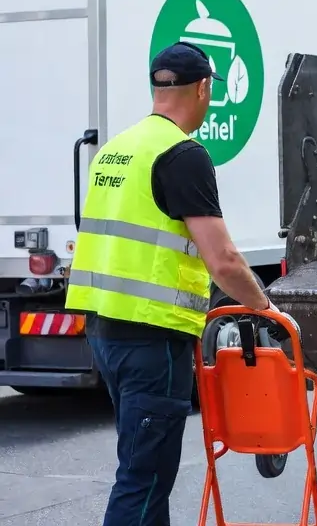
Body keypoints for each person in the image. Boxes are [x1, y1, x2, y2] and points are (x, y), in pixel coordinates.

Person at [65, 42, 276, 526]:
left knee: (144, 472)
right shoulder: (182, 155)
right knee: (143, 480)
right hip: (152, 338)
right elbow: (223, 260)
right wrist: (265, 307)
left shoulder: (115, 150)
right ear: (203, 89)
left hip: (106, 330)